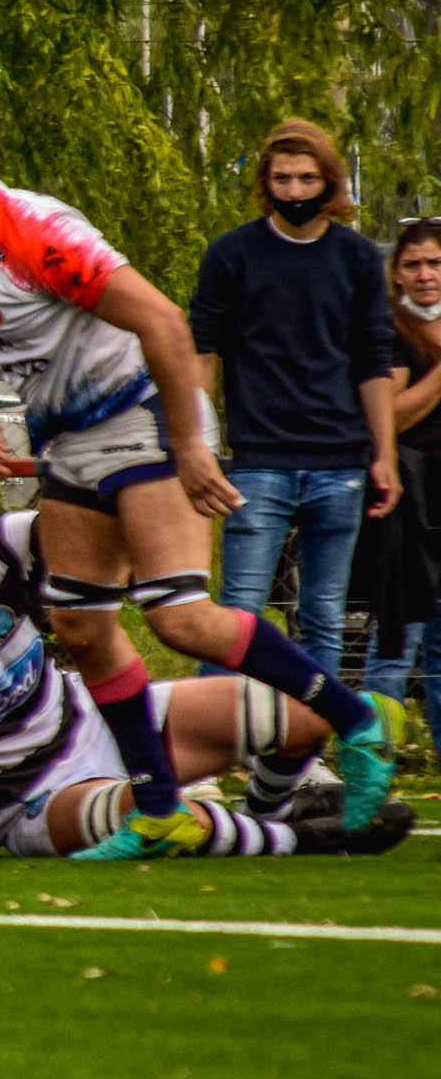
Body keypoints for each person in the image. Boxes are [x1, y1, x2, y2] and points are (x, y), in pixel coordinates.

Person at [0, 108, 397, 859]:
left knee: (180, 616)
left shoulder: (36, 234)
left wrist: (188, 445)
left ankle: (359, 721)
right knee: (81, 626)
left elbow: (164, 325)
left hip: (137, 417)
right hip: (68, 438)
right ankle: (156, 809)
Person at [0, 467, 414, 857]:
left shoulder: (2, 548)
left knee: (302, 719)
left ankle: (270, 811)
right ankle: (305, 839)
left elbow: (99, 540)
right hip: (28, 797)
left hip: (97, 721)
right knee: (156, 822)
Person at [190, 118, 399, 677]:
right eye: (282, 179)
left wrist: (385, 455)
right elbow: (201, 353)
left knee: (324, 618)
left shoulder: (356, 258)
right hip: (260, 461)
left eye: (307, 179)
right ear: (266, 181)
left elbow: (373, 361)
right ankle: (212, 746)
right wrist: (197, 442)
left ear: (328, 182)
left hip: (341, 461)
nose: (295, 192)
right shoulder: (231, 255)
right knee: (238, 615)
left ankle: (303, 747)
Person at [356, 220, 441, 757]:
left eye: (435, 264)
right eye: (413, 265)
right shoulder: (391, 333)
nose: (426, 275)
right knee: (395, 640)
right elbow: (391, 416)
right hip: (409, 499)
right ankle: (373, 761)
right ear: (396, 274)